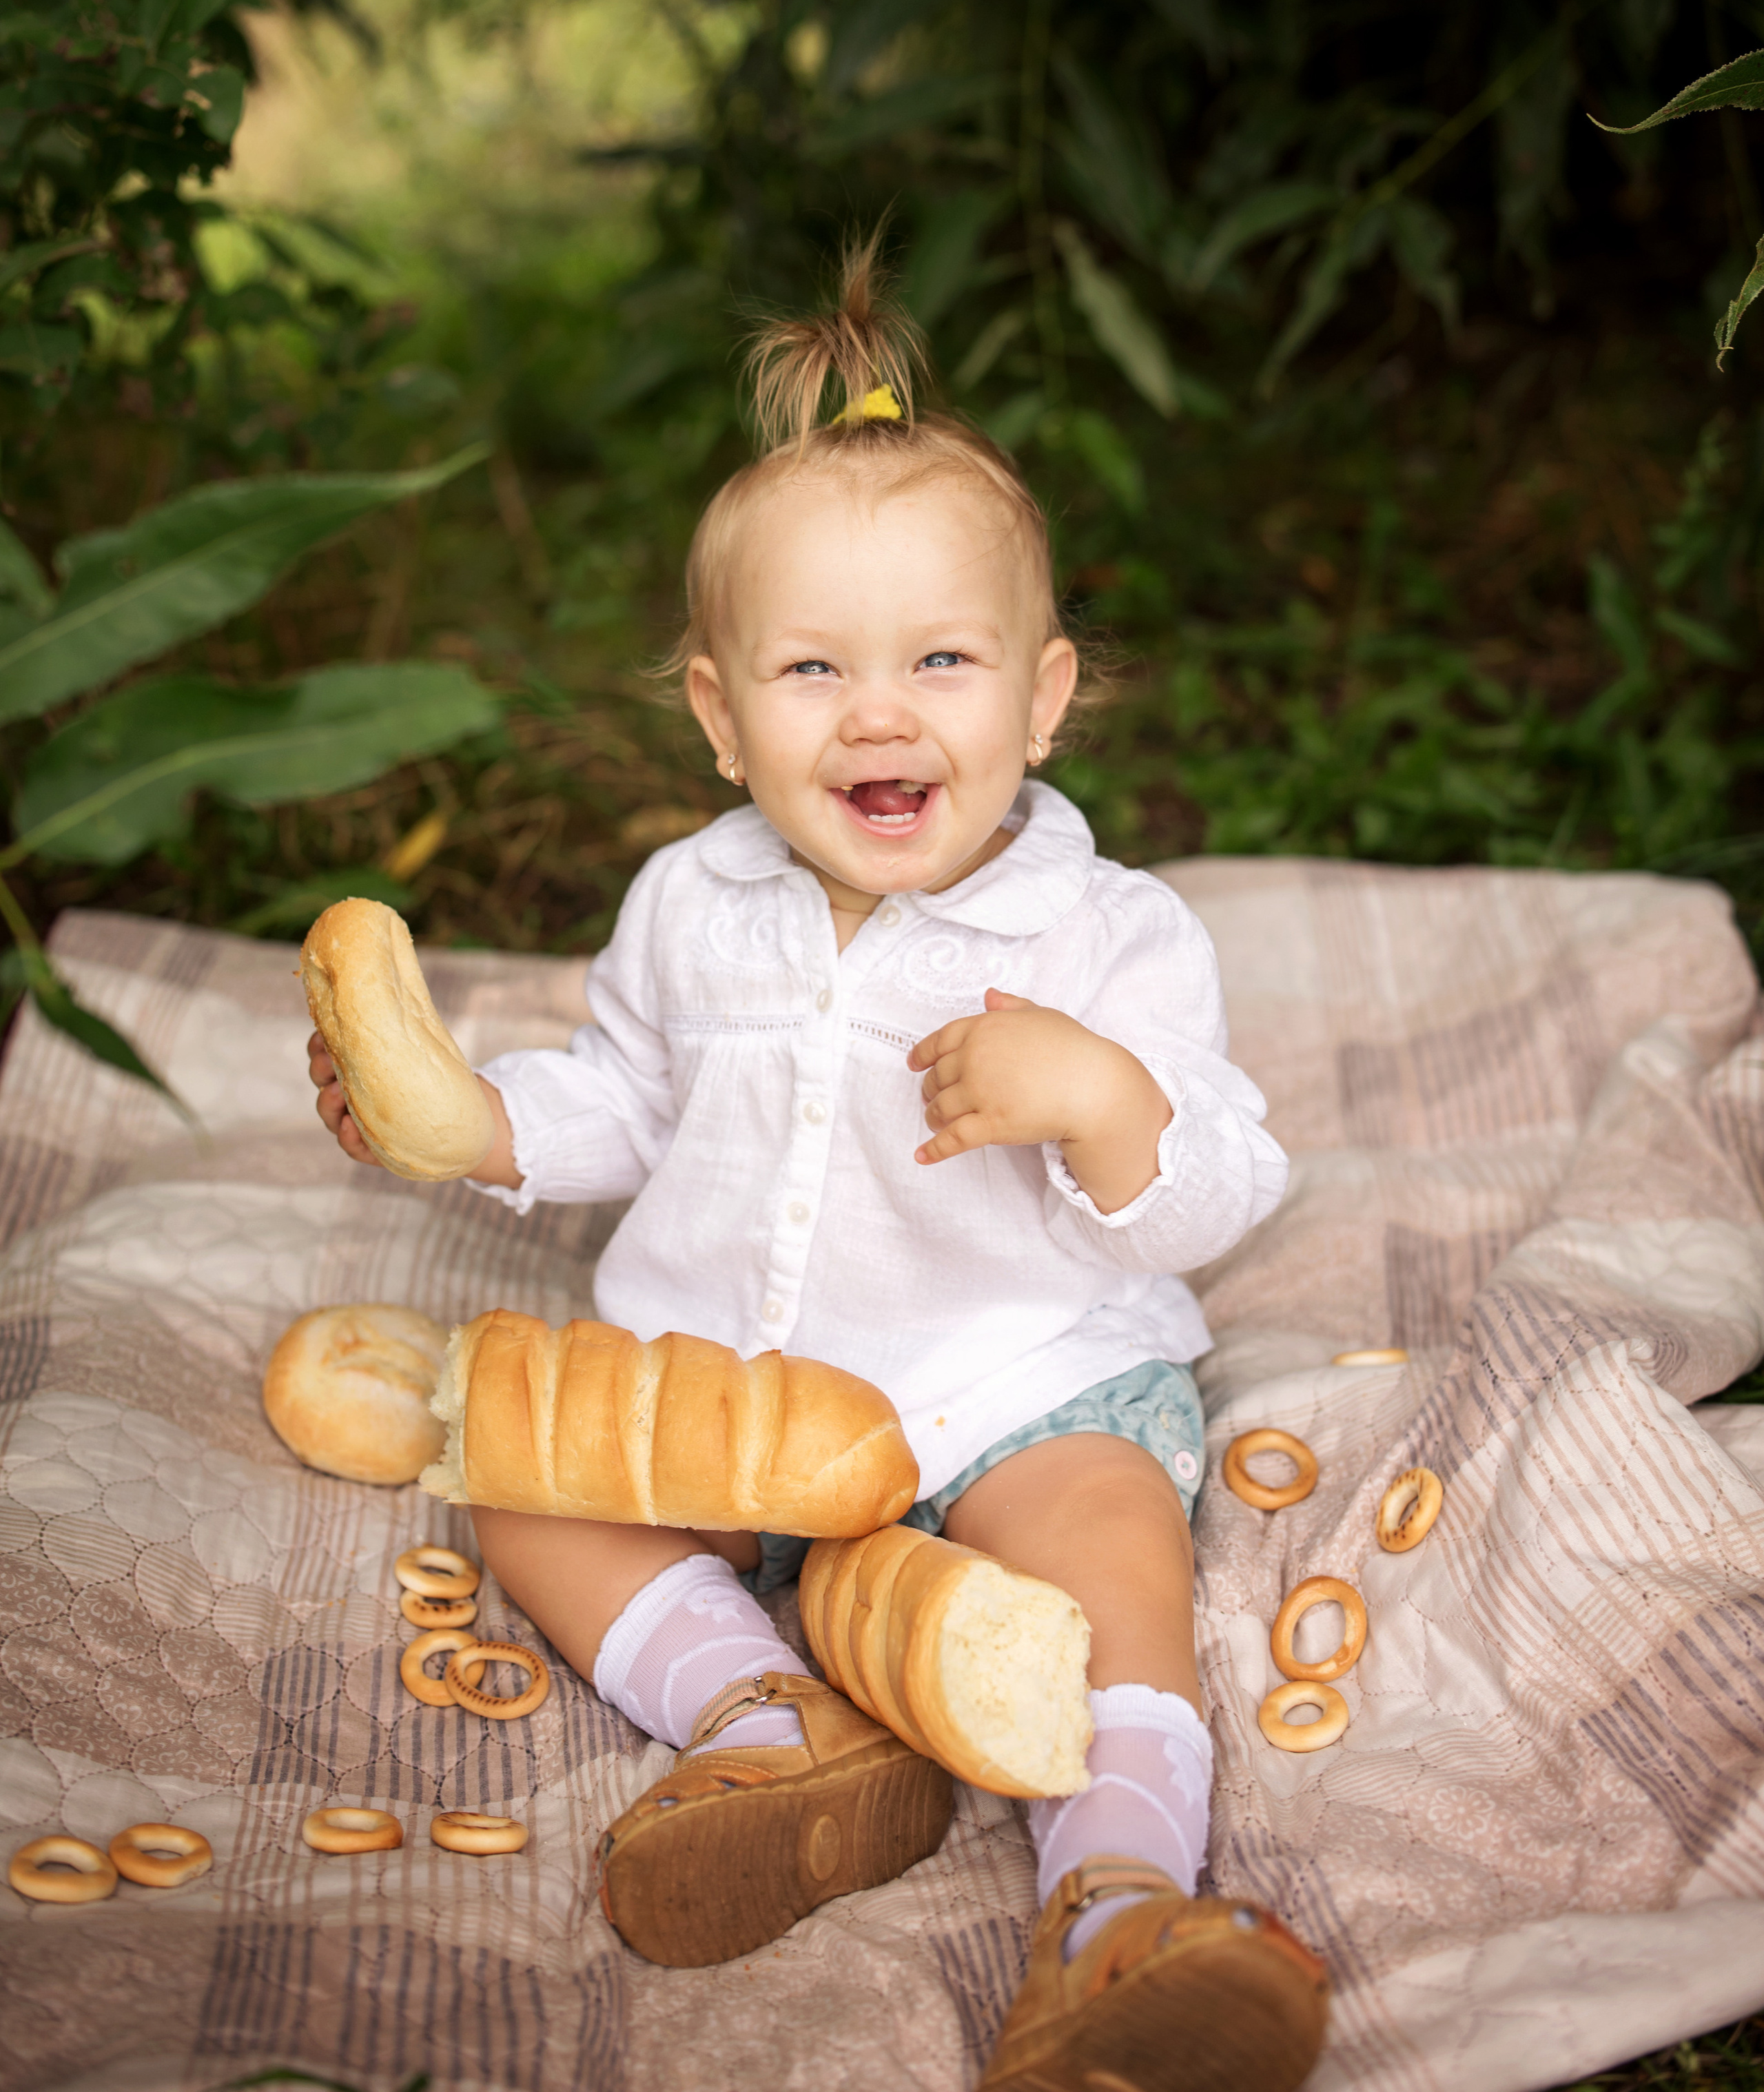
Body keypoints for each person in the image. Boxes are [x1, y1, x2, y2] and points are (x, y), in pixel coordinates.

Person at [310, 245, 1329, 2091]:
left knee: (1109, 1541)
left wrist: (1098, 1094)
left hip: (1009, 1382)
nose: (879, 713)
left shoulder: (1108, 929)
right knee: (520, 1487)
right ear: (720, 716)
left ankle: (1114, 1911)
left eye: (944, 661)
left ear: (1044, 698)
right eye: (813, 669)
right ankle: (775, 1720)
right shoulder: (693, 903)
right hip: (736, 1395)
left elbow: (1224, 1177)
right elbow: (628, 1095)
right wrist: (471, 1121)